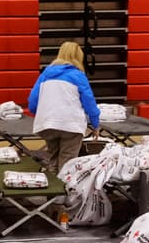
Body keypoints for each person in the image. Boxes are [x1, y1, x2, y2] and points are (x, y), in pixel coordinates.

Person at [27, 41, 101, 172]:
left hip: (47, 124)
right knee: (68, 163)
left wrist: (42, 114)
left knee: (53, 159)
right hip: (70, 125)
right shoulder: (78, 75)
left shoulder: (45, 74)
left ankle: (54, 188)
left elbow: (32, 101)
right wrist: (95, 124)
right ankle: (66, 190)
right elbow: (89, 102)